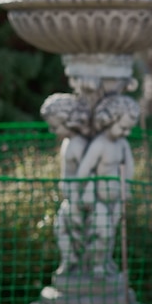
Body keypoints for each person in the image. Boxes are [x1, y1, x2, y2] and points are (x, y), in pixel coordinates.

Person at [76, 94, 138, 276]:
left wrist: (127, 186)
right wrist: (87, 190)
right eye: (123, 128)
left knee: (112, 235)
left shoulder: (122, 144)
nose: (126, 133)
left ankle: (105, 261)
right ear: (110, 120)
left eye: (129, 129)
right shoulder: (100, 144)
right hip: (99, 200)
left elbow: (130, 167)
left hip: (116, 199)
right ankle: (95, 265)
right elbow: (83, 172)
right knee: (103, 233)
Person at [40, 93, 91, 275]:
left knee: (74, 232)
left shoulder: (78, 144)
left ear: (67, 121)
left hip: (77, 199)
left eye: (55, 126)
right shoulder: (69, 142)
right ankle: (70, 260)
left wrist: (81, 198)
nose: (52, 131)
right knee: (62, 229)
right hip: (70, 198)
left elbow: (87, 173)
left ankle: (76, 262)